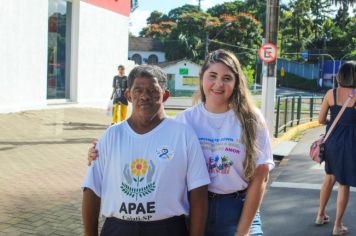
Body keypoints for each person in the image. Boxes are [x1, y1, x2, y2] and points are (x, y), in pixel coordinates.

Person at [88, 50, 275, 236]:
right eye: (212, 76)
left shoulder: (250, 120)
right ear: (202, 79)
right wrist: (102, 148)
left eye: (227, 78)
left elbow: (260, 177)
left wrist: (242, 232)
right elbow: (149, 142)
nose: (218, 84)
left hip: (236, 209)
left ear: (236, 83)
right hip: (193, 209)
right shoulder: (185, 120)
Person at [82, 65, 210, 236]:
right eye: (138, 90)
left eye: (152, 90)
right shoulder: (111, 135)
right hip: (118, 228)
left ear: (165, 95)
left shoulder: (183, 134)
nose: (145, 96)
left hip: (167, 229)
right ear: (128, 95)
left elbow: (198, 192)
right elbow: (91, 189)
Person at [316, 61, 356, 236]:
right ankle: (337, 226)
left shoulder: (330, 93)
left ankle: (320, 215)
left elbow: (320, 120)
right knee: (344, 183)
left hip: (331, 141)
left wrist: (333, 123)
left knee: (329, 178)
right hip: (350, 143)